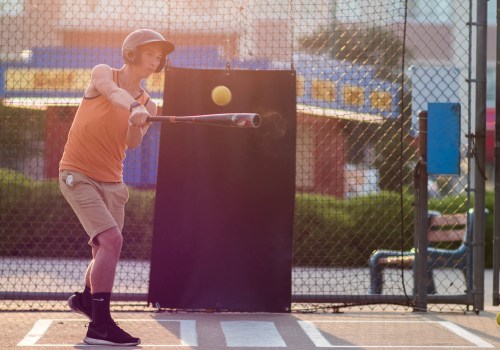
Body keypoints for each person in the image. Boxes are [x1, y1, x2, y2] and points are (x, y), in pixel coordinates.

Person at [59, 29, 174, 346]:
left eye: (159, 56)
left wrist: (138, 119)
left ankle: (86, 299)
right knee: (112, 240)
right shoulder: (102, 73)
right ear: (132, 53)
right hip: (77, 173)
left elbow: (132, 142)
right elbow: (112, 92)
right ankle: (100, 327)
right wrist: (131, 106)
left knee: (102, 249)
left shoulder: (150, 105)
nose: (156, 60)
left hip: (112, 181)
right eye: (151, 53)